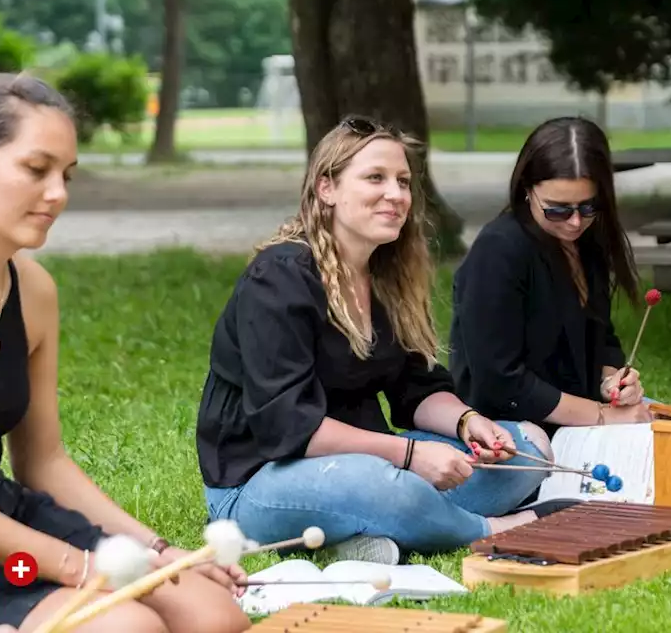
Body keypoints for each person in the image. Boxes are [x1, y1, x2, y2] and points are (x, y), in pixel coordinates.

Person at [0, 73, 251, 633]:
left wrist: (153, 549)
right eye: (36, 169)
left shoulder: (34, 289)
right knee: (126, 628)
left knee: (214, 617)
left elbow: (43, 462)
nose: (58, 193)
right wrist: (76, 566)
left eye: (66, 175)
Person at [195, 116, 553, 567]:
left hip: (372, 462)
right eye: (375, 178)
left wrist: (468, 422)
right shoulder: (279, 279)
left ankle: (378, 528)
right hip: (258, 486)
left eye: (403, 181)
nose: (396, 194)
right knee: (380, 484)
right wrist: (410, 455)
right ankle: (492, 529)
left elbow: (415, 389)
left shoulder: (386, 277)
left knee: (529, 449)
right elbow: (290, 427)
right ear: (327, 188)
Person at [449, 117, 652, 435]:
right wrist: (599, 415)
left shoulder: (587, 240)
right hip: (507, 427)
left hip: (577, 414)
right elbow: (500, 382)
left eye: (588, 207)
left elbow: (602, 338)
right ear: (527, 190)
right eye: (557, 209)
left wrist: (613, 381)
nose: (574, 222)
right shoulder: (498, 251)